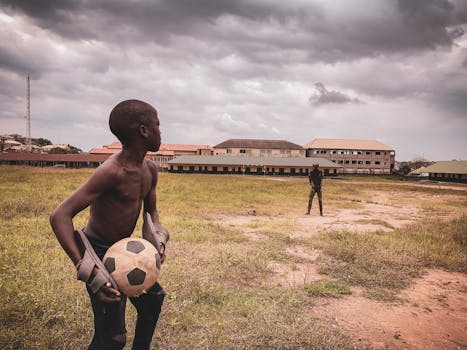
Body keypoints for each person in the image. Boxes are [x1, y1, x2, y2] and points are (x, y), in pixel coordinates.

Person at [50, 99, 169, 350]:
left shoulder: (149, 170)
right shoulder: (112, 171)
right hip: (99, 253)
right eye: (158, 125)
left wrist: (158, 237)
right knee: (112, 339)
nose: (161, 131)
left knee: (153, 300)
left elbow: (152, 214)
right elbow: (59, 215)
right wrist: (87, 268)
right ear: (144, 130)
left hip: (127, 251)